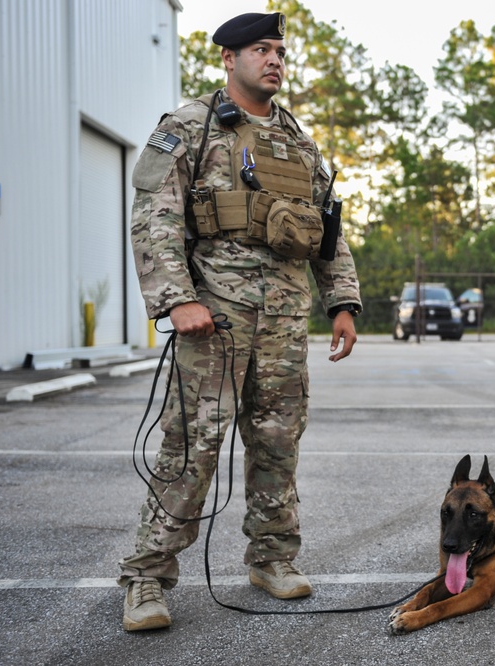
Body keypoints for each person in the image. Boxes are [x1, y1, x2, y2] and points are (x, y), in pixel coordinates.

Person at [118, 12, 362, 632]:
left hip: (283, 320)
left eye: (280, 50)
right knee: (193, 447)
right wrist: (176, 299)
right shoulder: (189, 127)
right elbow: (154, 216)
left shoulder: (298, 141)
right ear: (229, 58)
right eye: (261, 49)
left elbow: (327, 230)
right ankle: (147, 576)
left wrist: (341, 302)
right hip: (215, 319)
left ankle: (272, 560)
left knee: (278, 444)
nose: (275, 59)